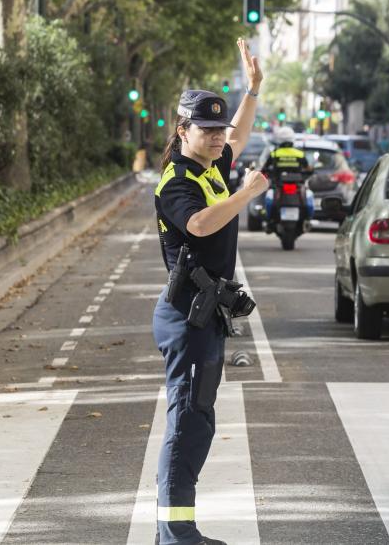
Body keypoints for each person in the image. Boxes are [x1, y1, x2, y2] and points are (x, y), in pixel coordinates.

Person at [151, 38, 268, 545]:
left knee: (197, 419)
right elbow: (197, 225)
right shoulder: (177, 181)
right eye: (208, 129)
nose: (220, 137)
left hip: (206, 314)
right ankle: (176, 533)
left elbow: (239, 133)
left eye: (220, 129)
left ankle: (175, 531)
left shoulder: (210, 165)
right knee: (188, 420)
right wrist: (246, 194)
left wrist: (254, 88)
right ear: (183, 132)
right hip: (187, 315)